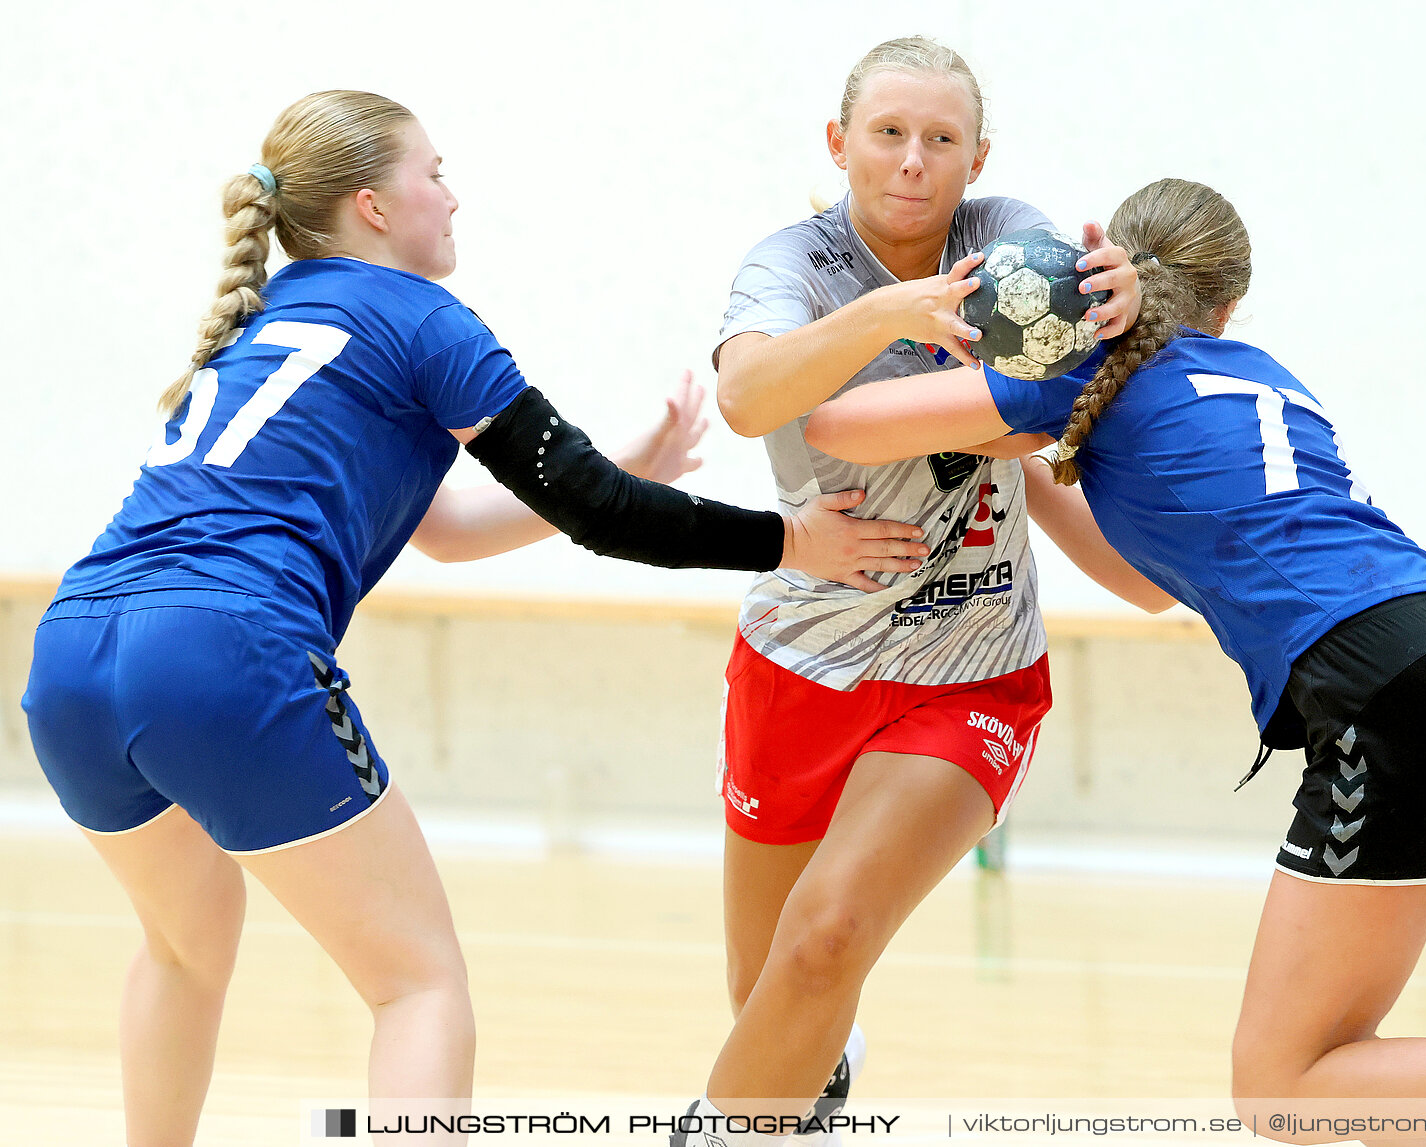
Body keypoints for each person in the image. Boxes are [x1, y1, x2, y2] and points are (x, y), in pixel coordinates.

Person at [19, 90, 930, 1147]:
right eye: (434, 173)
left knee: (184, 945)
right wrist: (790, 541)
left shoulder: (269, 326)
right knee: (419, 985)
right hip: (222, 652)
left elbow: (446, 526)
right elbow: (594, 511)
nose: (452, 195)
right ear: (372, 205)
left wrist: (629, 465)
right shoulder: (421, 318)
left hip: (74, 653)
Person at [804, 178, 1426, 1147]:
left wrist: (902, 320)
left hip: (1386, 689)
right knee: (1343, 1061)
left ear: (1109, 268)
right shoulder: (1260, 372)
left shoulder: (1082, 363)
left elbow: (836, 424)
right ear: (1229, 303)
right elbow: (1148, 583)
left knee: (1282, 1085)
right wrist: (1026, 460)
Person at [682, 36, 1144, 1142]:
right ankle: (815, 1083)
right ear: (840, 144)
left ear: (978, 156)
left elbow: (1066, 382)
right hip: (804, 657)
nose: (912, 161)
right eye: (888, 134)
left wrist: (1128, 294)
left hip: (971, 667)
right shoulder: (791, 262)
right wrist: (891, 316)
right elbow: (746, 397)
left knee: (826, 939)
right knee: (769, 991)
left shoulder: (1010, 244)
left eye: (941, 139)